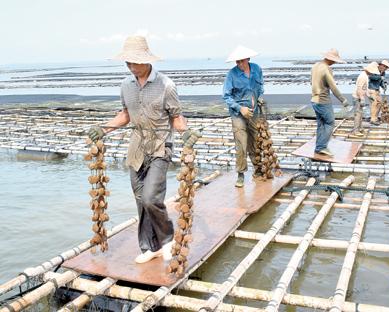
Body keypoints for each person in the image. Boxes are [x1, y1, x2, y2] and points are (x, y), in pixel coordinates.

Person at [88, 35, 199, 264]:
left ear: (147, 61)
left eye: (134, 62)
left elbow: (176, 117)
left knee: (151, 198)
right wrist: (103, 128)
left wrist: (185, 132)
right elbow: (125, 115)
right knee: (140, 201)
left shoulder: (166, 85)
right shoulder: (125, 86)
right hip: (137, 147)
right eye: (127, 63)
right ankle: (151, 247)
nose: (131, 67)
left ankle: (168, 239)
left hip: (160, 146)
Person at [222, 45, 264, 188]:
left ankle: (258, 169)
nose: (239, 64)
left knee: (255, 141)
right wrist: (241, 108)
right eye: (237, 62)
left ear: (248, 59)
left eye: (241, 61)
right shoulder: (231, 75)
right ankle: (240, 174)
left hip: (254, 111)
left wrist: (260, 98)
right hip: (238, 114)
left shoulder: (257, 69)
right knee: (241, 143)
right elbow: (226, 97)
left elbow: (261, 87)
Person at [310, 48, 350, 156]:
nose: (335, 62)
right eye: (335, 60)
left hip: (314, 100)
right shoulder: (326, 69)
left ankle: (319, 146)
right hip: (323, 100)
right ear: (330, 59)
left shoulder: (315, 66)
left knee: (321, 124)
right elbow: (333, 87)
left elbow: (312, 82)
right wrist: (343, 99)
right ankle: (321, 147)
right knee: (330, 123)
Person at [351, 62, 380, 136]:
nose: (372, 73)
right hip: (357, 97)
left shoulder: (366, 76)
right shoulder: (363, 76)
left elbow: (365, 88)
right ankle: (355, 131)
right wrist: (362, 98)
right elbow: (359, 88)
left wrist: (368, 96)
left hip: (360, 97)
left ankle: (360, 128)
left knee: (360, 114)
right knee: (358, 114)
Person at [368, 59, 389, 124]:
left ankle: (375, 118)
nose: (386, 68)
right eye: (385, 67)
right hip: (371, 89)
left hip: (377, 89)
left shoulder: (383, 73)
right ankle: (372, 119)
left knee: (380, 103)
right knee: (374, 104)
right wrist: (380, 77)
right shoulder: (374, 69)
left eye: (387, 68)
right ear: (381, 65)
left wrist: (384, 86)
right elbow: (371, 77)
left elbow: (381, 82)